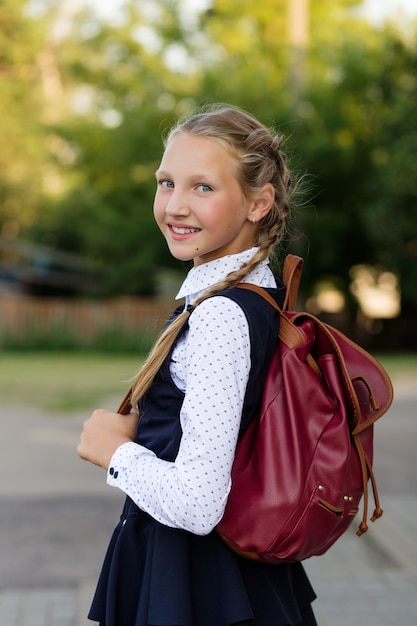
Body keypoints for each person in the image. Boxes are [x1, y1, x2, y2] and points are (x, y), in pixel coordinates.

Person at [77, 103, 317, 626]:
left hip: (198, 586)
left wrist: (114, 452)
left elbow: (197, 503)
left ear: (259, 203)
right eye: (167, 183)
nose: (175, 205)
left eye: (202, 188)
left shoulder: (220, 316)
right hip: (228, 579)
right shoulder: (255, 295)